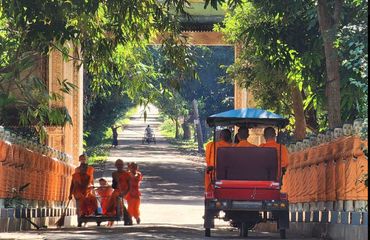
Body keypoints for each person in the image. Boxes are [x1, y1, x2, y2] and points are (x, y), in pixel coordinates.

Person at [106, 159, 132, 226]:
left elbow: (129, 186)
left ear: (123, 165)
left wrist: (124, 193)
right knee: (115, 197)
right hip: (117, 191)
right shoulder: (114, 174)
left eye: (121, 165)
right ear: (115, 165)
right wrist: (117, 180)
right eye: (118, 165)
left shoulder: (127, 174)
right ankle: (126, 216)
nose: (119, 166)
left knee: (117, 197)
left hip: (125, 191)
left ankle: (126, 216)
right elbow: (114, 186)